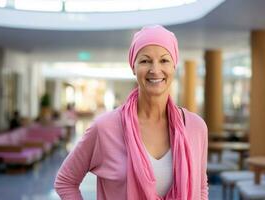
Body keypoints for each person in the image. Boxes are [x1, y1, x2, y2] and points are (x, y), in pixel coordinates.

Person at [54, 25, 208, 200]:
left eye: (164, 60)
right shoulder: (105, 128)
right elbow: (65, 181)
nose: (155, 69)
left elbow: (201, 187)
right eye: (145, 60)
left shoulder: (196, 127)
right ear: (133, 67)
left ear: (174, 66)